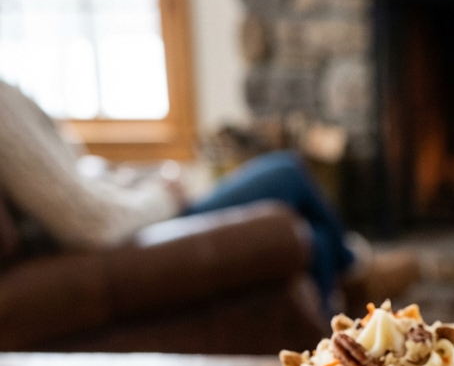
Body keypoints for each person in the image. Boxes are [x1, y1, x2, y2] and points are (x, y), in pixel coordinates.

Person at [0, 80, 356, 313]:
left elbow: (75, 185)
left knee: (315, 240)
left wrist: (138, 184)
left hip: (133, 216)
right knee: (285, 172)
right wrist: (164, 197)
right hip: (131, 235)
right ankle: (355, 270)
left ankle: (339, 317)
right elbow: (90, 223)